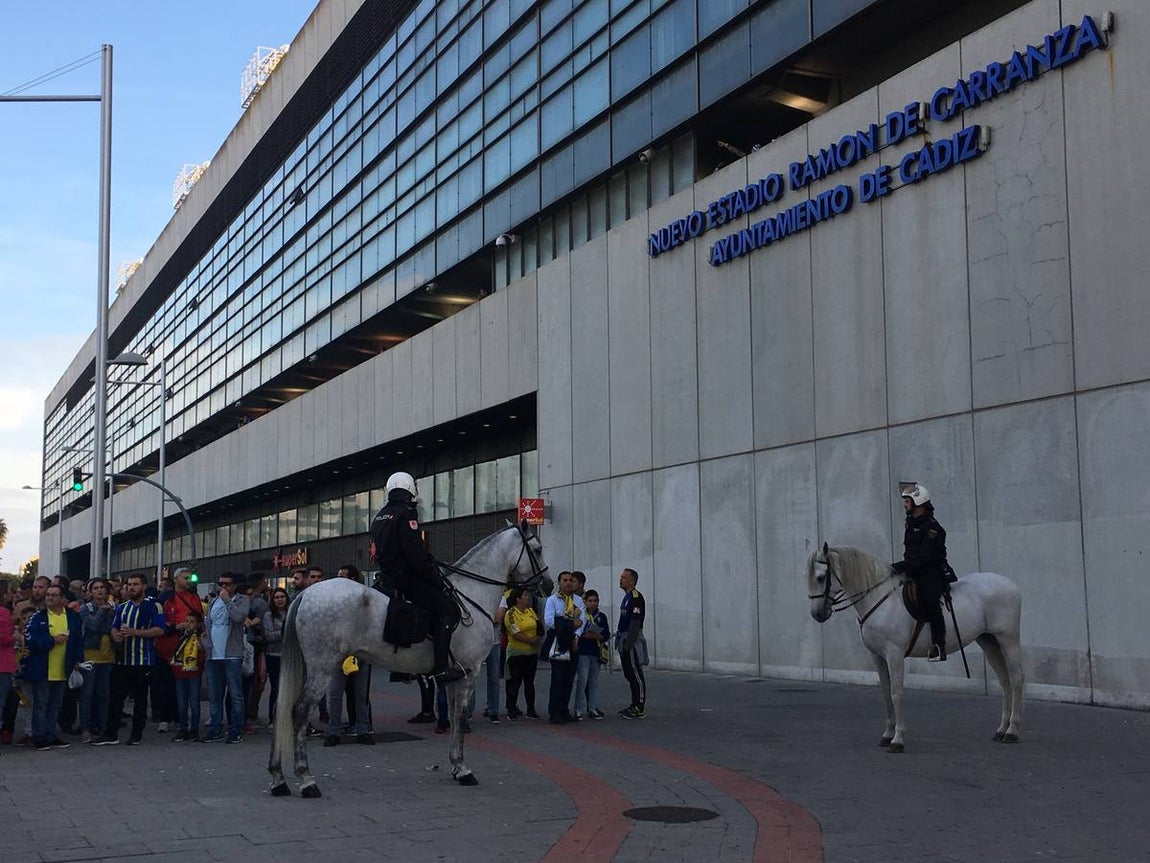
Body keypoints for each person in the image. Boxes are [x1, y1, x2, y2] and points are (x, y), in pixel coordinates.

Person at [370, 471, 463, 683]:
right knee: (447, 610)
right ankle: (440, 668)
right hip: (407, 578)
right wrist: (435, 578)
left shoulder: (379, 516)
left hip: (386, 578)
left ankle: (402, 666)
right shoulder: (406, 513)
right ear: (409, 489)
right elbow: (414, 553)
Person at [94, 573, 166, 746]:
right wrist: (116, 635)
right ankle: (111, 733)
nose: (131, 587)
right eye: (129, 584)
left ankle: (136, 733)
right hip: (122, 660)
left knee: (140, 700)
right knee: (115, 698)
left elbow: (160, 630)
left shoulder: (154, 605)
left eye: (135, 584)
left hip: (143, 660)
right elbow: (114, 627)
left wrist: (136, 632)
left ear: (143, 586)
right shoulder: (122, 607)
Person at [891, 482, 950, 662]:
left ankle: (939, 645)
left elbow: (926, 557)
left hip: (931, 572)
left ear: (918, 502)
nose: (904, 504)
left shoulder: (932, 528)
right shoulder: (912, 523)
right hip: (914, 571)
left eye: (907, 501)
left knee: (929, 600)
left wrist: (901, 566)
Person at [24, 584, 85, 750]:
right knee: (41, 704)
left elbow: (78, 640)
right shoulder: (38, 617)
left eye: (54, 595)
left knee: (55, 704)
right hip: (43, 669)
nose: (49, 597)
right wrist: (51, 641)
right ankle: (39, 736)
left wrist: (78, 660)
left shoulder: (72, 617)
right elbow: (30, 639)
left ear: (62, 598)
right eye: (48, 595)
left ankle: (51, 734)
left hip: (62, 669)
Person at [202, 572, 250, 743]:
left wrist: (228, 600)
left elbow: (239, 617)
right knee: (215, 695)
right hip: (213, 655)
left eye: (227, 584)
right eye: (220, 583)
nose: (223, 587)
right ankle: (215, 728)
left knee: (236, 694)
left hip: (232, 654)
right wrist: (206, 643)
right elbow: (208, 624)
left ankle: (235, 729)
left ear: (234, 585)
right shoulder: (214, 601)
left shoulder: (241, 600)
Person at [77, 579, 117, 743]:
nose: (99, 591)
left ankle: (103, 727)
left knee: (104, 694)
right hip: (90, 656)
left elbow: (114, 626)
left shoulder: (114, 607)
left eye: (102, 588)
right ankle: (85, 728)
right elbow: (92, 625)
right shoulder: (86, 608)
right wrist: (102, 612)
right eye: (95, 588)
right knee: (87, 694)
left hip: (108, 655)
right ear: (90, 592)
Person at [544, 571, 585, 724]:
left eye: (571, 580)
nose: (568, 583)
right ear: (559, 582)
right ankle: (554, 713)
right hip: (558, 642)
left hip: (573, 641)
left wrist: (577, 636)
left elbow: (582, 620)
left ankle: (564, 709)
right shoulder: (552, 600)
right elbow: (549, 621)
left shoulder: (578, 600)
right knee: (558, 679)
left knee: (569, 679)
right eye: (565, 580)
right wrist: (570, 624)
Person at [502, 587, 541, 720]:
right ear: (518, 598)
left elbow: (538, 626)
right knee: (515, 682)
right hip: (517, 652)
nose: (527, 597)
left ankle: (531, 710)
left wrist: (538, 638)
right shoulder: (511, 613)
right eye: (525, 595)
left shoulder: (531, 611)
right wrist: (531, 640)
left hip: (532, 653)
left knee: (529, 682)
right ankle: (511, 709)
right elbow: (515, 633)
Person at [616, 567, 647, 719]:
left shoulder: (635, 597)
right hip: (624, 640)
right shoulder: (626, 597)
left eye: (623, 577)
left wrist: (628, 644)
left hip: (631, 641)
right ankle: (634, 704)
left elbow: (635, 623)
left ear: (631, 580)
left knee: (636, 673)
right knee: (629, 674)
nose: (620, 579)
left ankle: (639, 707)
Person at [573, 589, 608, 721]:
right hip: (583, 652)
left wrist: (595, 635)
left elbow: (605, 635)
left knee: (593, 681)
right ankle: (578, 709)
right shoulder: (581, 615)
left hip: (596, 652)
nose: (593, 603)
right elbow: (579, 633)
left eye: (595, 601)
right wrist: (590, 635)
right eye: (590, 601)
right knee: (582, 680)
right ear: (585, 602)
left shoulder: (601, 616)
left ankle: (592, 708)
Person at [171, 609, 205, 742]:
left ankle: (194, 730)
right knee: (182, 703)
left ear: (198, 624)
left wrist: (200, 647)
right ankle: (183, 728)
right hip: (180, 672)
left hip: (194, 673)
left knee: (194, 702)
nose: (188, 624)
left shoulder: (200, 637)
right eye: (187, 621)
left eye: (192, 622)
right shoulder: (181, 636)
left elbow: (202, 658)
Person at [262, 588, 290, 725]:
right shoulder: (268, 616)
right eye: (277, 597)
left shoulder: (292, 613)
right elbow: (269, 635)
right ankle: (273, 718)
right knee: (276, 687)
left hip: (290, 655)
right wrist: (285, 632)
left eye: (282, 597)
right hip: (274, 655)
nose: (280, 600)